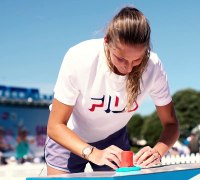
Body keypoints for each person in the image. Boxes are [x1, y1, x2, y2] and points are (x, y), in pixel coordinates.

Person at [45, 6, 180, 175]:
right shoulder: (79, 58)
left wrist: (158, 151)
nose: (128, 67)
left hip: (114, 139)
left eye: (137, 59)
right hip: (69, 137)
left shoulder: (153, 66)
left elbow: (171, 124)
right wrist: (92, 153)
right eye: (121, 58)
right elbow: (55, 126)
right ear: (106, 41)